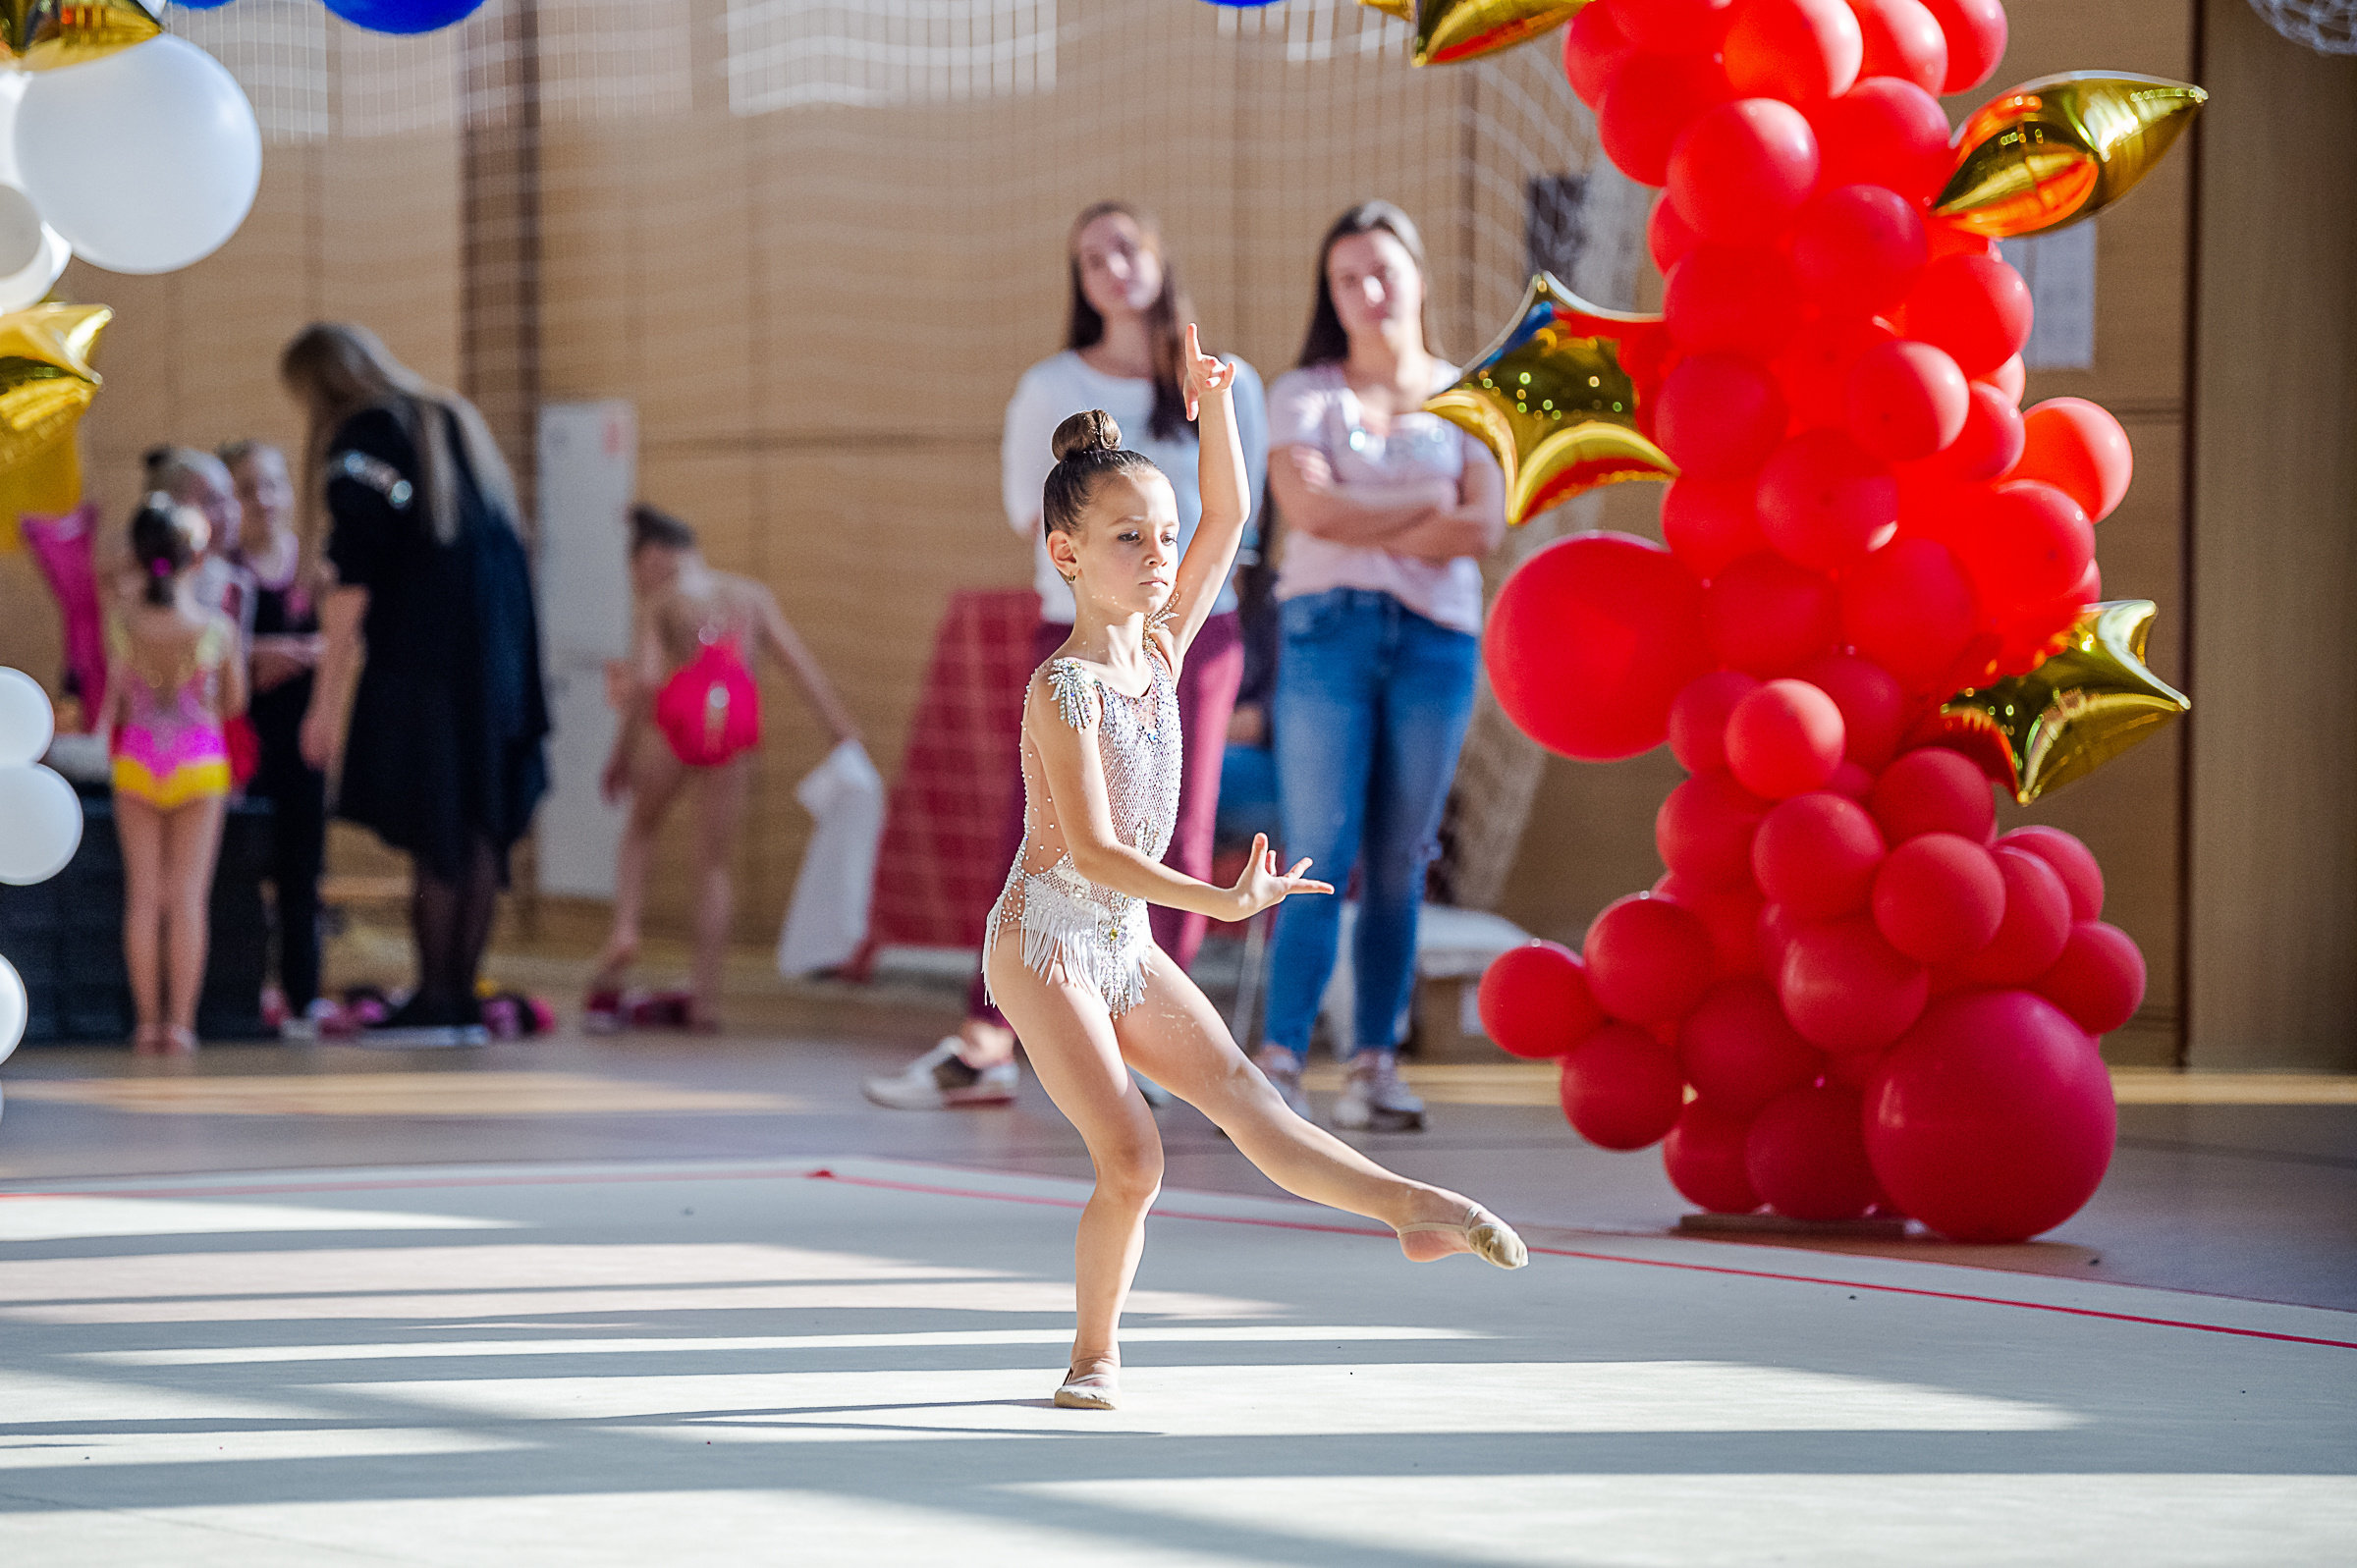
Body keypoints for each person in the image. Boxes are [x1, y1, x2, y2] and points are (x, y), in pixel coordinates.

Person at [983, 326, 1525, 1413]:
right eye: (1129, 537)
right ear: (1067, 552)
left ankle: (1412, 1208)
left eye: (1162, 536)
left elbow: (1233, 516)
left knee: (1249, 1095)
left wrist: (1217, 404)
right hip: (1045, 946)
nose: (1156, 554)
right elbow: (1091, 851)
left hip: (1123, 944)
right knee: (1133, 1157)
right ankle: (1093, 1353)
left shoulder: (1167, 647)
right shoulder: (1065, 688)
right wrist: (1223, 900)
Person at [865, 198, 1270, 1110]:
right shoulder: (1051, 387)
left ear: (1161, 257)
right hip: (1083, 635)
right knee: (1045, 831)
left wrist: (1213, 408)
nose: (1112, 266)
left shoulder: (1222, 387)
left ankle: (1146, 1028)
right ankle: (990, 1035)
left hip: (1179, 649)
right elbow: (1030, 509)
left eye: (1126, 246)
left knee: (1180, 824)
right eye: (1091, 257)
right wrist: (1108, 539)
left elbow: (1234, 517)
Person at [1257, 202, 1507, 1132]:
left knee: (1402, 858)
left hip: (1436, 646)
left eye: (1382, 270)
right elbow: (1311, 515)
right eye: (1346, 277)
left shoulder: (1469, 393)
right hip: (1327, 633)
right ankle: (1279, 1060)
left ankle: (1374, 1063)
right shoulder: (1305, 395)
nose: (1367, 290)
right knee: (1319, 851)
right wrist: (1425, 497)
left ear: (1419, 276)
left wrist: (1371, 499)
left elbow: (1480, 528)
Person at [283, 322, 551, 1046]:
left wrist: (325, 702)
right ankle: (459, 996)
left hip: (429, 660)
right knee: (475, 823)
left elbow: (354, 576)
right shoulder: (452, 420)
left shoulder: (368, 432)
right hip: (498, 660)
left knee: (439, 826)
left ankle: (436, 998)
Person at [585, 504, 863, 1030]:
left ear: (654, 557)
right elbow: (799, 666)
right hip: (734, 722)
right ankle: (705, 998)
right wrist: (841, 730)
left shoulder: (662, 601)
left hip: (682, 718)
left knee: (641, 830)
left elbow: (646, 683)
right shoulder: (751, 597)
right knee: (712, 864)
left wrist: (622, 754)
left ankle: (624, 929)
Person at [94, 496, 247, 1054]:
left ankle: (145, 1022)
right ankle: (180, 1024)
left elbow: (114, 703)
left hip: (137, 762)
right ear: (197, 559)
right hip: (199, 763)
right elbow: (234, 703)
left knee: (143, 898)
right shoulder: (216, 628)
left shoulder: (122, 624)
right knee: (186, 899)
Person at [220, 439, 329, 1036]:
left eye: (272, 485)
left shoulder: (312, 566)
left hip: (301, 741)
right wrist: (257, 654)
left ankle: (303, 998)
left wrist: (304, 653)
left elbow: (341, 640)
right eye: (247, 488)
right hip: (242, 737)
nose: (262, 500)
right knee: (239, 868)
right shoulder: (224, 573)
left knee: (300, 872)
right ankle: (237, 992)